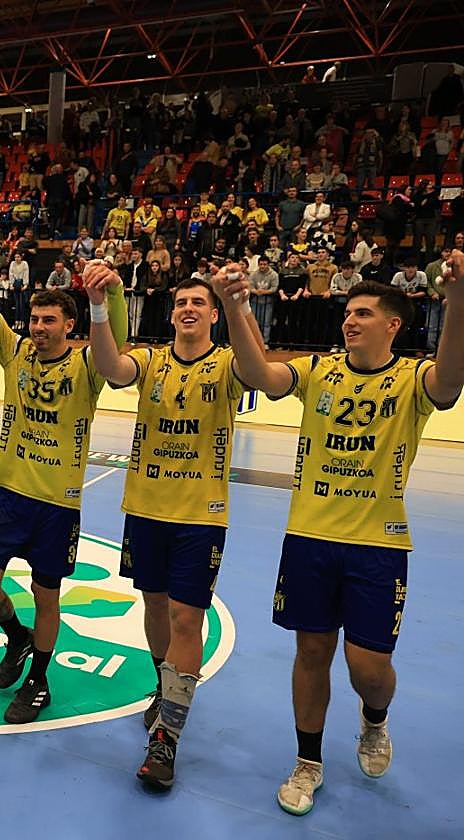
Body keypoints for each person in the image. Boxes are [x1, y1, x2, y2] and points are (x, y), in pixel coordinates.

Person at [212, 255, 464, 817]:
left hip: (379, 545)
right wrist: (234, 306)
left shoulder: (412, 380)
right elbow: (262, 376)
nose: (349, 321)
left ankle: (374, 718)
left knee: (367, 669)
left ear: (393, 324)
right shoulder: (319, 370)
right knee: (312, 650)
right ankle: (308, 762)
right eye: (348, 312)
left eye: (364, 313)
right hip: (310, 537)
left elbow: (451, 378)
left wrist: (460, 303)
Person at [0, 211, 127, 722]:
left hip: (56, 505)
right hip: (9, 495)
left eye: (50, 320)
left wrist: (109, 293)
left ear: (70, 325)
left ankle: (39, 682)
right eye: (35, 319)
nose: (39, 328)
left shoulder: (90, 365)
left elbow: (121, 342)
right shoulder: (15, 352)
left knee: (48, 599)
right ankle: (14, 636)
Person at [87, 271, 262, 790]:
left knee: (189, 619)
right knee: (155, 606)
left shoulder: (230, 364)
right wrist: (99, 306)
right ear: (172, 312)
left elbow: (258, 370)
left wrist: (237, 306)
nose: (188, 308)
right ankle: (166, 691)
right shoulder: (151, 360)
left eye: (198, 303)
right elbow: (111, 368)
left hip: (200, 516)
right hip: (145, 508)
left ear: (212, 315)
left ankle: (165, 738)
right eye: (181, 301)